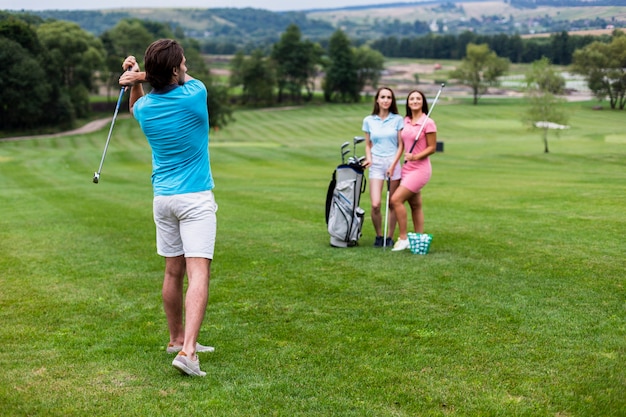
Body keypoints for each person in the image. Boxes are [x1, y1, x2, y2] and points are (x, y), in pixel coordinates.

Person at [118, 39, 217, 377]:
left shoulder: (145, 110)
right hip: (195, 199)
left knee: (172, 272)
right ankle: (188, 351)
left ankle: (177, 338)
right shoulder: (196, 95)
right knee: (198, 271)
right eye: (182, 61)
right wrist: (141, 76)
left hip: (163, 200)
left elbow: (135, 107)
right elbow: (183, 77)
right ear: (175, 69)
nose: (186, 63)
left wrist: (136, 77)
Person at [389, 89, 437, 251]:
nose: (415, 101)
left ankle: (403, 238)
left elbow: (432, 148)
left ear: (423, 102)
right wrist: (395, 163)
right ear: (408, 102)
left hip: (420, 169)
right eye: (412, 99)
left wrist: (415, 157)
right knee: (415, 205)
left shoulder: (428, 122)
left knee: (396, 200)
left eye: (418, 99)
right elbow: (402, 145)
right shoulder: (406, 121)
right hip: (407, 168)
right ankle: (418, 240)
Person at [361, 87, 404, 247]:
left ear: (391, 101)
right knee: (375, 204)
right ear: (377, 100)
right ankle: (379, 235)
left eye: (389, 97)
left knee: (393, 203)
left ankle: (389, 237)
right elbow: (368, 144)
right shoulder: (368, 120)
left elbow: (401, 146)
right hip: (376, 164)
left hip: (393, 163)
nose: (386, 100)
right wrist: (369, 158)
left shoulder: (398, 119)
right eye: (383, 97)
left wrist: (393, 165)